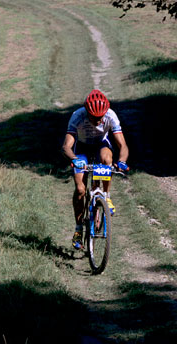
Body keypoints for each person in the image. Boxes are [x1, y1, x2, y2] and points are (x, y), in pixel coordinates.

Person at [62, 89, 129, 250]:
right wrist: (74, 159)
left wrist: (121, 161)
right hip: (82, 149)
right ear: (87, 112)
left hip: (101, 145)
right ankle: (78, 229)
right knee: (80, 189)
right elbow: (66, 146)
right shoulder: (77, 116)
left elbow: (123, 145)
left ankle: (106, 196)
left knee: (107, 159)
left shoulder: (111, 115)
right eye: (95, 117)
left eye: (101, 117)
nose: (99, 121)